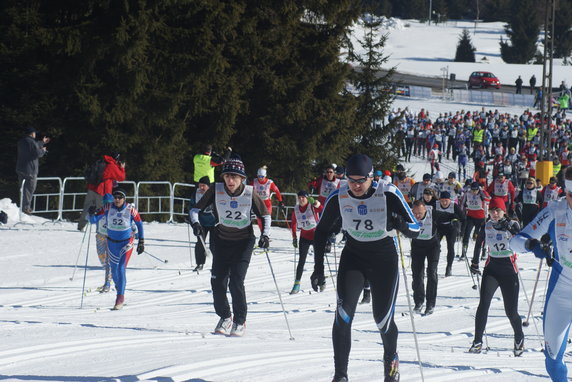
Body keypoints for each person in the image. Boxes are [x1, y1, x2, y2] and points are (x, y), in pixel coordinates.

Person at [310, 154, 420, 382]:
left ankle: (391, 363)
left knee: (382, 319)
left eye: (361, 181)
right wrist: (318, 268)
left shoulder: (388, 193)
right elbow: (320, 232)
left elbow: (416, 228)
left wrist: (399, 224)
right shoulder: (338, 196)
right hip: (354, 257)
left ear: (372, 178)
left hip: (384, 260)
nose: (356, 186)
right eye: (351, 180)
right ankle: (340, 375)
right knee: (342, 316)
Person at [190, 157, 270, 337]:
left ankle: (240, 320)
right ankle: (225, 317)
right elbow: (195, 210)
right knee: (217, 281)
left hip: (243, 242)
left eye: (234, 177)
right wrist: (195, 224)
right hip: (221, 241)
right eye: (227, 176)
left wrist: (265, 235)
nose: (230, 181)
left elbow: (265, 216)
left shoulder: (250, 193)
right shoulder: (216, 190)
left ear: (242, 178)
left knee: (236, 281)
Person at [510, 166, 572, 381]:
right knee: (553, 359)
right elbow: (514, 242)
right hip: (562, 293)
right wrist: (532, 244)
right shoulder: (556, 210)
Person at [469, 198, 523, 356]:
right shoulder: (486, 225)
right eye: (492, 210)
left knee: (511, 312)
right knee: (483, 305)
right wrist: (474, 262)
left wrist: (511, 230)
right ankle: (477, 341)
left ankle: (519, 337)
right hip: (491, 269)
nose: (494, 213)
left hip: (508, 270)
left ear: (504, 211)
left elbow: (521, 241)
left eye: (497, 210)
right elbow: (479, 242)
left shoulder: (512, 224)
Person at [89, 188, 145, 310]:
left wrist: (141, 241)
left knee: (121, 268)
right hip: (112, 243)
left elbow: (140, 224)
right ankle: (120, 289)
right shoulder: (108, 208)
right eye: (115, 197)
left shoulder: (130, 210)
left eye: (120, 197)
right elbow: (93, 221)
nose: (117, 199)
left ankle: (120, 297)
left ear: (124, 199)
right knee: (114, 271)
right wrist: (91, 213)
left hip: (126, 243)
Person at [78, 153, 126, 231]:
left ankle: (81, 226)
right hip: (102, 190)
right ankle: (100, 229)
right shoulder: (112, 166)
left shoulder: (102, 161)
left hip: (92, 187)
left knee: (87, 207)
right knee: (101, 211)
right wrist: (122, 168)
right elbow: (121, 177)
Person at [410, 200, 443, 315]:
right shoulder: (409, 214)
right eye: (415, 213)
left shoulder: (432, 213)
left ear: (425, 209)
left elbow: (453, 215)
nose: (418, 216)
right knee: (417, 274)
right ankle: (419, 301)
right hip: (417, 246)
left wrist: (455, 222)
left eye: (420, 213)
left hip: (432, 246)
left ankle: (430, 303)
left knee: (431, 272)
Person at [290, 191, 323, 294]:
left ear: (307, 198)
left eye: (303, 197)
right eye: (299, 197)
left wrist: (315, 203)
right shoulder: (296, 209)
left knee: (318, 260)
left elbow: (322, 209)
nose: (301, 199)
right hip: (304, 237)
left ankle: (321, 281)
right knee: (301, 261)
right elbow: (293, 224)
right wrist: (294, 237)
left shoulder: (312, 206)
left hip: (316, 236)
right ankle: (296, 284)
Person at [16, 127, 50, 215]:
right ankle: (26, 208)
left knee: (23, 189)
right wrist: (43, 150)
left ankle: (23, 206)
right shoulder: (31, 142)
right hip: (30, 170)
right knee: (30, 189)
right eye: (35, 133)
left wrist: (42, 142)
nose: (35, 134)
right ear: (32, 133)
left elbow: (34, 146)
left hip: (21, 168)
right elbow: (37, 153)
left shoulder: (22, 141)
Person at [188, 176, 216, 272]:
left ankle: (217, 264)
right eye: (200, 186)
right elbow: (192, 208)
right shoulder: (196, 193)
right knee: (200, 243)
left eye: (203, 186)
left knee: (215, 245)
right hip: (201, 223)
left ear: (208, 186)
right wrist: (194, 223)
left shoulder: (214, 193)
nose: (201, 188)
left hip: (214, 223)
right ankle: (200, 263)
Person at [435, 191, 465, 276]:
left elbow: (463, 218)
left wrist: (461, 231)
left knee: (450, 247)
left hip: (451, 228)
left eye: (446, 201)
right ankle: (434, 266)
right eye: (442, 200)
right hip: (439, 227)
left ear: (449, 200)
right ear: (440, 200)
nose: (444, 203)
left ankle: (449, 267)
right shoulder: (436, 205)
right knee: (435, 246)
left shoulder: (454, 206)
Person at [460, 182, 491, 260]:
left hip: (481, 218)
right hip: (470, 217)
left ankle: (484, 251)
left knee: (482, 236)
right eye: (472, 190)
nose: (474, 192)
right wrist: (462, 212)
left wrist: (483, 197)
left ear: (478, 189)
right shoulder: (467, 194)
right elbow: (462, 203)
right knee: (466, 234)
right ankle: (464, 252)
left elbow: (489, 200)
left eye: (475, 190)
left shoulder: (482, 193)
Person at [251, 166, 285, 231]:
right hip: (258, 204)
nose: (260, 178)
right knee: (260, 220)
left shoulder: (269, 183)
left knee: (267, 220)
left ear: (265, 176)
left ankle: (267, 234)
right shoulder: (254, 182)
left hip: (267, 204)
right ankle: (262, 233)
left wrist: (280, 201)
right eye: (259, 176)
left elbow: (277, 191)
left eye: (262, 177)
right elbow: (249, 190)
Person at [94, 193, 115, 292]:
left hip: (111, 237)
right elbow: (91, 220)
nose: (108, 205)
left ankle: (107, 283)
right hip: (100, 236)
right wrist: (90, 213)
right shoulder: (100, 211)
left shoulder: (115, 212)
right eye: (106, 203)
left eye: (109, 203)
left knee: (108, 261)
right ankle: (110, 275)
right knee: (102, 258)